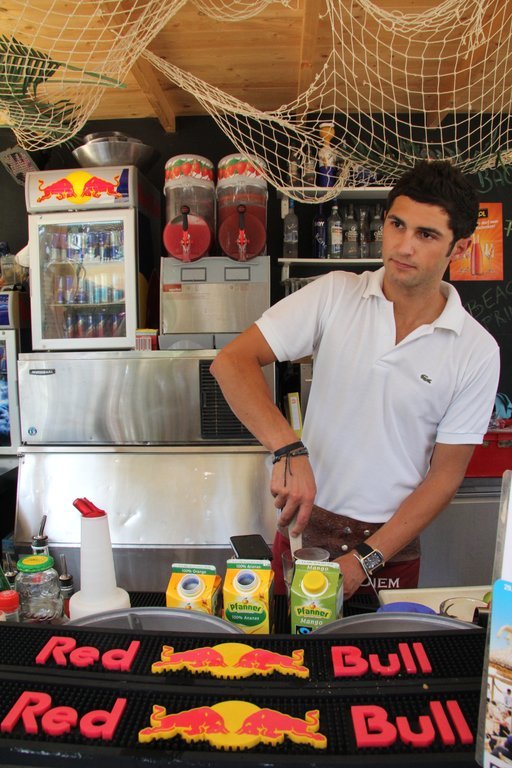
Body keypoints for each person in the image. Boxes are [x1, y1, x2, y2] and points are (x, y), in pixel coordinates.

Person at [210, 160, 500, 599]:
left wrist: (365, 559)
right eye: (397, 225)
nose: (403, 246)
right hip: (306, 529)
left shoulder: (476, 350)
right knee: (285, 640)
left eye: (426, 235)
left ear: (458, 248)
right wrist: (288, 448)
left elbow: (444, 478)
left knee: (379, 645)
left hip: (389, 548)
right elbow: (231, 362)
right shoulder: (335, 293)